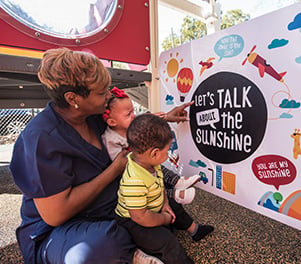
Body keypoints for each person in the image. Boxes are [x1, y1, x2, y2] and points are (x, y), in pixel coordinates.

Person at [9, 47, 194, 264]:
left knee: (153, 200)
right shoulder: (41, 139)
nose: (108, 96)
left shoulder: (93, 116)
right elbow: (55, 215)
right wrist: (113, 170)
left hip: (105, 208)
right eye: (101, 92)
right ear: (73, 98)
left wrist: (166, 118)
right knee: (97, 249)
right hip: (60, 229)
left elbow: (130, 123)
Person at [116, 113, 197, 264]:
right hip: (133, 221)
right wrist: (163, 219)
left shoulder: (151, 164)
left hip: (150, 209)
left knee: (175, 206)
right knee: (167, 242)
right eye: (167, 151)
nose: (167, 155)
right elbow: (140, 217)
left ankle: (194, 230)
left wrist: (165, 204)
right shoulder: (134, 180)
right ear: (154, 153)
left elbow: (160, 185)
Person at [102, 87, 201, 204]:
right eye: (128, 114)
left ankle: (177, 181)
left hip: (141, 163)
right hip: (132, 175)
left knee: (159, 167)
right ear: (112, 122)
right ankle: (175, 194)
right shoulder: (111, 139)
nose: (133, 116)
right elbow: (120, 163)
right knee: (150, 187)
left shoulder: (131, 126)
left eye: (133, 112)